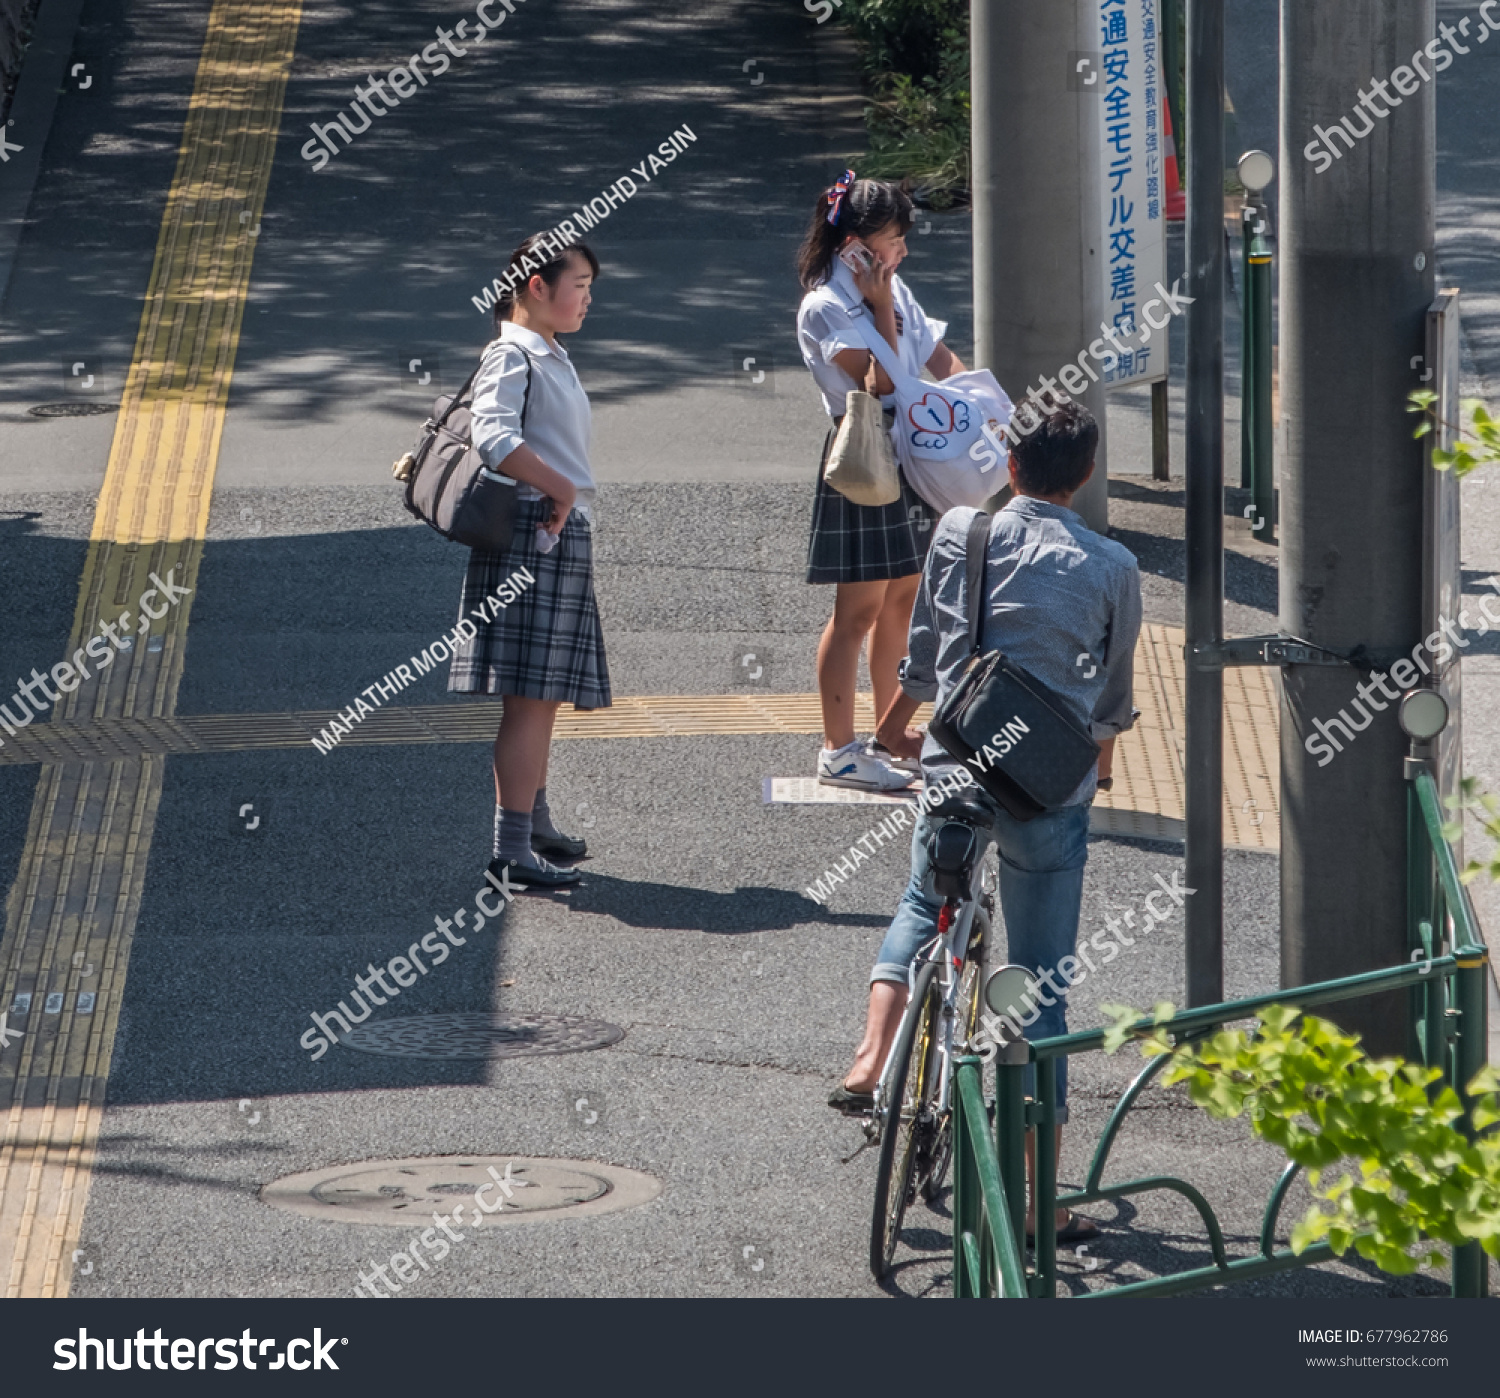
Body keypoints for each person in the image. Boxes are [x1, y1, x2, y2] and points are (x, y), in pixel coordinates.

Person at [829, 400, 1143, 1243]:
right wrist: (1096, 774)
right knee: (1040, 981)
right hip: (1046, 786)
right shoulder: (1113, 565)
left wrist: (898, 735)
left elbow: (928, 660)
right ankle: (1039, 1199)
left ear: (1011, 467)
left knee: (920, 906)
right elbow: (1110, 703)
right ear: (1082, 478)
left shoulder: (962, 532)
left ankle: (871, 1059)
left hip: (957, 764)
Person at [795, 171, 968, 792]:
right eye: (893, 239)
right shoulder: (826, 305)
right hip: (864, 453)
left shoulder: (893, 289)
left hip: (910, 450)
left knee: (904, 598)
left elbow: (938, 358)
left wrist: (979, 405)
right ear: (857, 245)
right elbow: (884, 381)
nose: (902, 252)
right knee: (857, 611)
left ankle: (890, 732)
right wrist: (878, 305)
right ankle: (839, 750)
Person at [448, 232, 607, 889]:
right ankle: (511, 851)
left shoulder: (544, 350)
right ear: (537, 287)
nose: (587, 301)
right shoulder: (512, 352)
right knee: (531, 700)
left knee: (542, 698)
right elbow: (490, 434)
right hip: (534, 528)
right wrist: (562, 487)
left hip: (550, 529)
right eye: (580, 287)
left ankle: (532, 827)